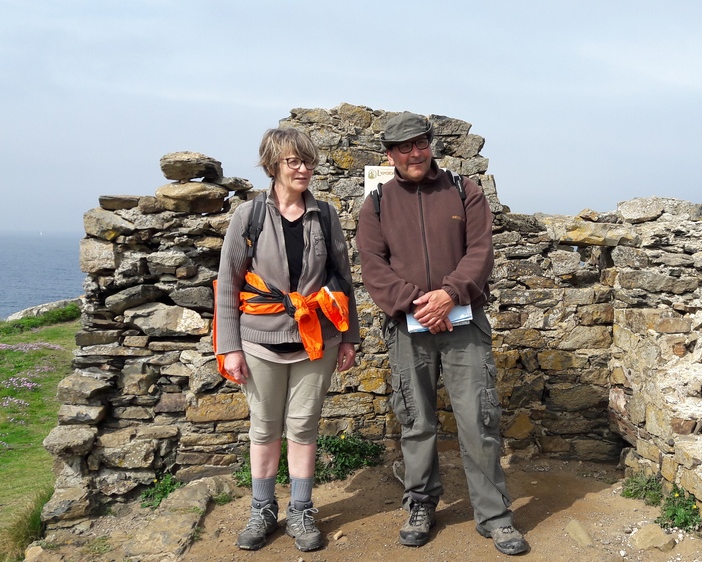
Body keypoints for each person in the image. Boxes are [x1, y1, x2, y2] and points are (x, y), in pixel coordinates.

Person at [355, 112, 529, 555]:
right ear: (389, 155)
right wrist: (421, 305)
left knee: (478, 420)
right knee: (416, 421)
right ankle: (420, 505)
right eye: (403, 147)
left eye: (420, 143)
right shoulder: (377, 204)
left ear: (430, 144)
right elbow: (373, 266)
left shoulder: (463, 190)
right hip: (407, 327)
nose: (414, 153)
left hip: (464, 323)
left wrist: (449, 295)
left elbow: (481, 251)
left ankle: (494, 516)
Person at [215, 127, 360, 552]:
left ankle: (300, 510)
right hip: (259, 341)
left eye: (308, 161)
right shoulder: (249, 216)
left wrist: (348, 338)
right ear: (272, 165)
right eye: (293, 161)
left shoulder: (325, 215)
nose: (303, 169)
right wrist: (229, 348)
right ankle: (262, 510)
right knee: (263, 428)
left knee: (303, 427)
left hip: (317, 342)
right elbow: (228, 284)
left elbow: (343, 280)